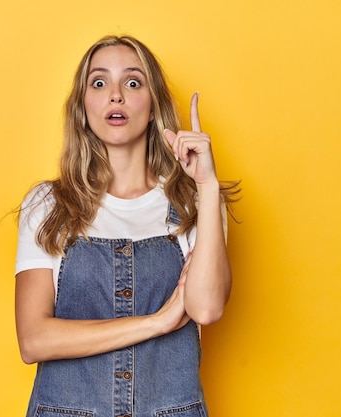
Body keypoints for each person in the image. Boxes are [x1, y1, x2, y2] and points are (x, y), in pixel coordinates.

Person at [14, 34, 240, 417]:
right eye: (99, 83)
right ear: (83, 108)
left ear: (152, 107)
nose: (115, 95)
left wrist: (207, 185)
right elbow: (34, 340)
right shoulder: (48, 206)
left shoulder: (194, 203)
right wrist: (158, 322)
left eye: (133, 82)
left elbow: (206, 308)